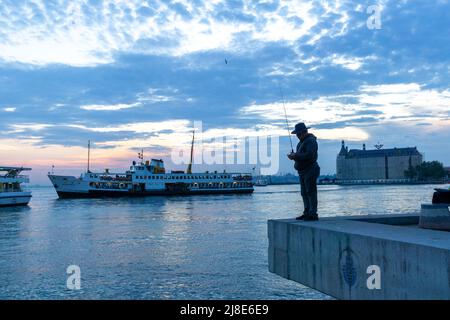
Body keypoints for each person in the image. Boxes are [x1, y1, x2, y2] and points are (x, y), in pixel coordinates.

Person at [287, 123, 320, 221]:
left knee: (311, 192)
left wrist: (295, 156)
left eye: (298, 133)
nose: (297, 135)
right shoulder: (300, 143)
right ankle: (307, 212)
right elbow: (301, 156)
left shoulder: (311, 141)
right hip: (302, 171)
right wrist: (294, 156)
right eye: (297, 134)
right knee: (304, 193)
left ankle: (313, 214)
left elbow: (310, 155)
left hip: (310, 169)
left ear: (304, 132)